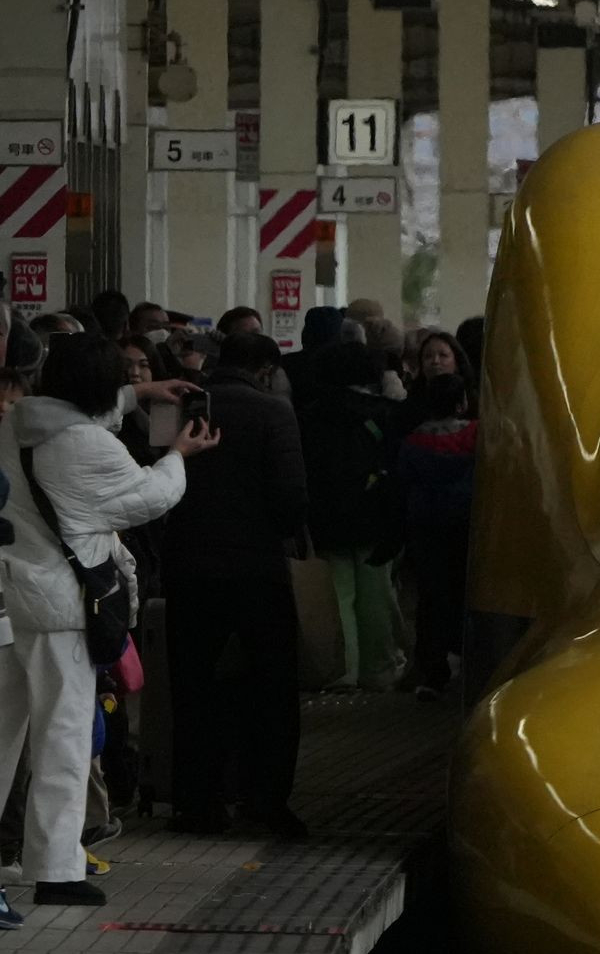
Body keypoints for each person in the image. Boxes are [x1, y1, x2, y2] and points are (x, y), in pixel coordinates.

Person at [0, 330, 217, 920]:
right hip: (61, 609)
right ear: (102, 387)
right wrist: (179, 456)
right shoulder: (87, 445)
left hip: (13, 598)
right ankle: (56, 870)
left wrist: (142, 391)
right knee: (63, 737)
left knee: (3, 734)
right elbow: (147, 497)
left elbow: (74, 413)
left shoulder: (16, 423)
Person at [159, 330, 312, 838]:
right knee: (272, 686)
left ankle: (197, 804)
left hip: (189, 568)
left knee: (193, 685)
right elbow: (291, 500)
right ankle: (264, 801)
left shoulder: (181, 404)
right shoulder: (274, 412)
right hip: (256, 572)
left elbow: (153, 472)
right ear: (266, 370)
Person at [296, 336, 404, 688]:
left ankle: (345, 670)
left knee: (339, 596)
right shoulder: (382, 412)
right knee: (377, 596)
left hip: (327, 517)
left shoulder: (309, 416)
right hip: (375, 516)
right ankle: (380, 669)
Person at [391, 346, 478, 698]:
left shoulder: (414, 441)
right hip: (467, 525)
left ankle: (433, 670)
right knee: (466, 593)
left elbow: (403, 482)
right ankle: (470, 663)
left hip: (426, 527)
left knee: (432, 597)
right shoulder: (477, 436)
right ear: (462, 404)